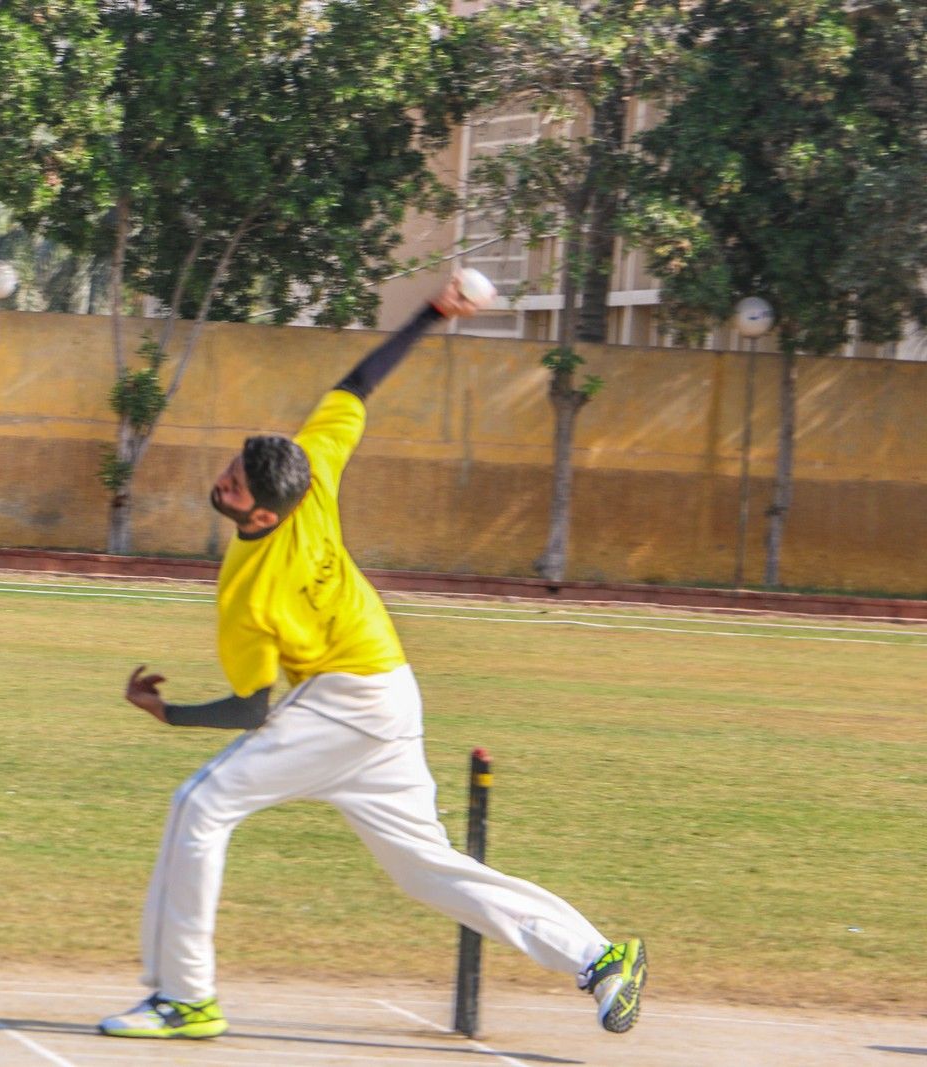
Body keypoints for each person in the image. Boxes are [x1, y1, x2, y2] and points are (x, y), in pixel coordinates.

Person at [98, 277, 646, 1040]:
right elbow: (358, 383)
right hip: (385, 690)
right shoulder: (311, 464)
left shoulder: (247, 587)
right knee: (423, 868)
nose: (224, 482)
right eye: (231, 469)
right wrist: (434, 312)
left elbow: (253, 709)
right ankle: (600, 956)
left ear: (266, 511)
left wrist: (169, 713)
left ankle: (185, 998)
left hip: (346, 699)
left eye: (236, 486)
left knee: (200, 804)